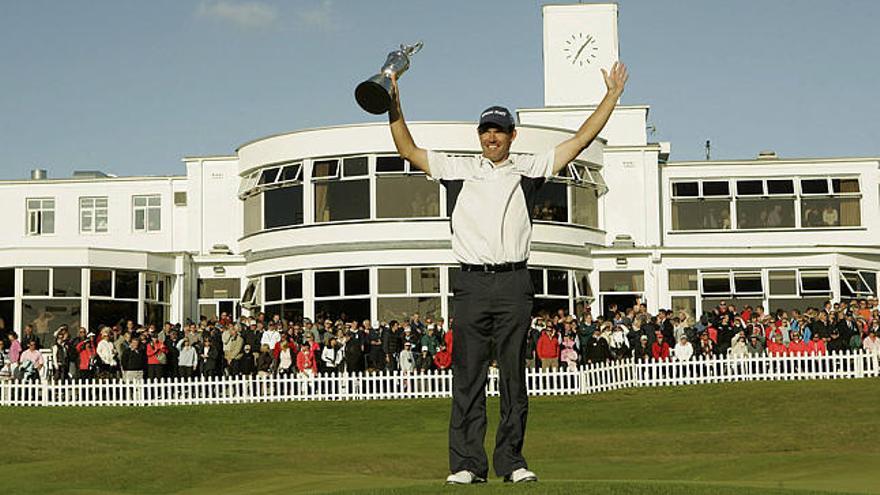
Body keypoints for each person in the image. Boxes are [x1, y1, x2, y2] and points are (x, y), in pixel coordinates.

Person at [387, 60, 628, 484]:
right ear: (479, 136)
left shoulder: (528, 168)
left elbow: (579, 141)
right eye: (485, 130)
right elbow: (407, 149)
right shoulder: (457, 169)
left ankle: (512, 462)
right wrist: (393, 99)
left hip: (515, 281)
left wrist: (610, 97)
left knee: (514, 376)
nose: (491, 136)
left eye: (498, 130)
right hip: (471, 283)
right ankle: (466, 465)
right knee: (468, 378)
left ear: (512, 135)